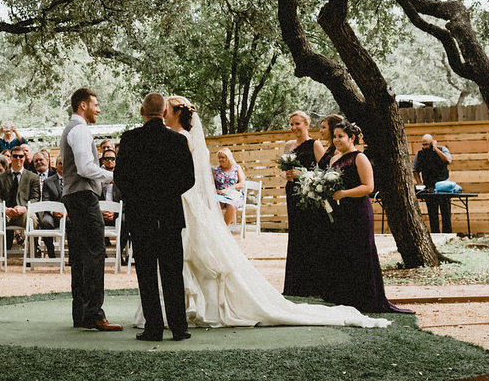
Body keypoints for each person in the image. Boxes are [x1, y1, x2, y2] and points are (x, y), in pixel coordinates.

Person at [136, 96, 390, 331]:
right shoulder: (178, 136)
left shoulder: (183, 138)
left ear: (176, 112)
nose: (164, 114)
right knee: (183, 255)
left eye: (167, 110)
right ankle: (184, 308)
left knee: (195, 255)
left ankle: (198, 309)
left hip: (185, 201)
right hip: (183, 203)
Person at [113, 93, 196, 342]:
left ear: (142, 111)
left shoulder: (130, 139)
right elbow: (189, 179)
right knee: (173, 272)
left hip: (141, 216)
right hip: (169, 215)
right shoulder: (178, 141)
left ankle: (154, 328)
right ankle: (179, 328)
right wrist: (166, 195)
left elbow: (120, 178)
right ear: (163, 113)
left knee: (147, 274)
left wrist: (139, 197)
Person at [317, 122, 412, 316]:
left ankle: (367, 299)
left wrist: (343, 194)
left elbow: (368, 187)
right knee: (342, 253)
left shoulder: (359, 158)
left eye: (340, 136)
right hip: (339, 212)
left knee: (360, 253)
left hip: (358, 212)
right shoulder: (334, 158)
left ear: (351, 138)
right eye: (334, 136)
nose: (336, 140)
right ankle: (345, 297)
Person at [61, 87, 120, 331]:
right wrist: (111, 176)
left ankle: (81, 313)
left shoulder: (70, 129)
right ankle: (95, 313)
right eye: (95, 104)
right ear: (83, 105)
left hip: (73, 197)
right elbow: (85, 168)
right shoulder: (81, 129)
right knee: (96, 253)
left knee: (80, 255)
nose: (98, 109)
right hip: (84, 196)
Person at [280, 110, 327, 299]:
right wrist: (287, 175)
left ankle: (314, 285)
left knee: (311, 237)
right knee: (296, 237)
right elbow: (283, 170)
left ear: (306, 124)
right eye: (291, 124)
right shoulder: (288, 145)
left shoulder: (315, 144)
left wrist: (303, 175)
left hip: (309, 196)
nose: (294, 128)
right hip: (292, 193)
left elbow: (324, 172)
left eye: (297, 124)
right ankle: (296, 285)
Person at [413, 133, 453, 234]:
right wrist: (419, 183)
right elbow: (415, 170)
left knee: (446, 213)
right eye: (423, 145)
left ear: (432, 143)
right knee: (432, 213)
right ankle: (435, 234)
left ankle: (447, 234)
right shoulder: (420, 154)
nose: (424, 147)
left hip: (443, 186)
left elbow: (447, 160)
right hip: (429, 186)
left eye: (426, 144)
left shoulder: (442, 150)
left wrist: (436, 149)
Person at [212, 148, 246, 227]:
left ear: (228, 158)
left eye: (223, 157)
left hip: (233, 194)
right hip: (220, 194)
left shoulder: (236, 168)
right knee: (215, 204)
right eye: (219, 157)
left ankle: (223, 229)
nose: (220, 159)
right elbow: (211, 185)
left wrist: (228, 189)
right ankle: (215, 227)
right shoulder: (216, 170)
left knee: (231, 206)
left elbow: (242, 184)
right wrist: (217, 191)